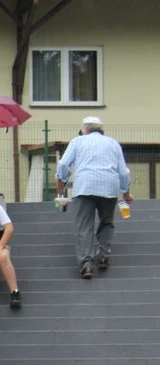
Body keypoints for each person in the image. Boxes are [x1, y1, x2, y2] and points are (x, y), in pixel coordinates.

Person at [56, 116, 133, 279]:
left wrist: (60, 187)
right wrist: (125, 193)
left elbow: (63, 164)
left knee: (84, 226)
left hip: (84, 187)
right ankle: (104, 255)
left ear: (84, 129)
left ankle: (86, 265)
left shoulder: (77, 141)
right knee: (106, 222)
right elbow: (124, 171)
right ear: (101, 129)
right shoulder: (113, 143)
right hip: (109, 188)